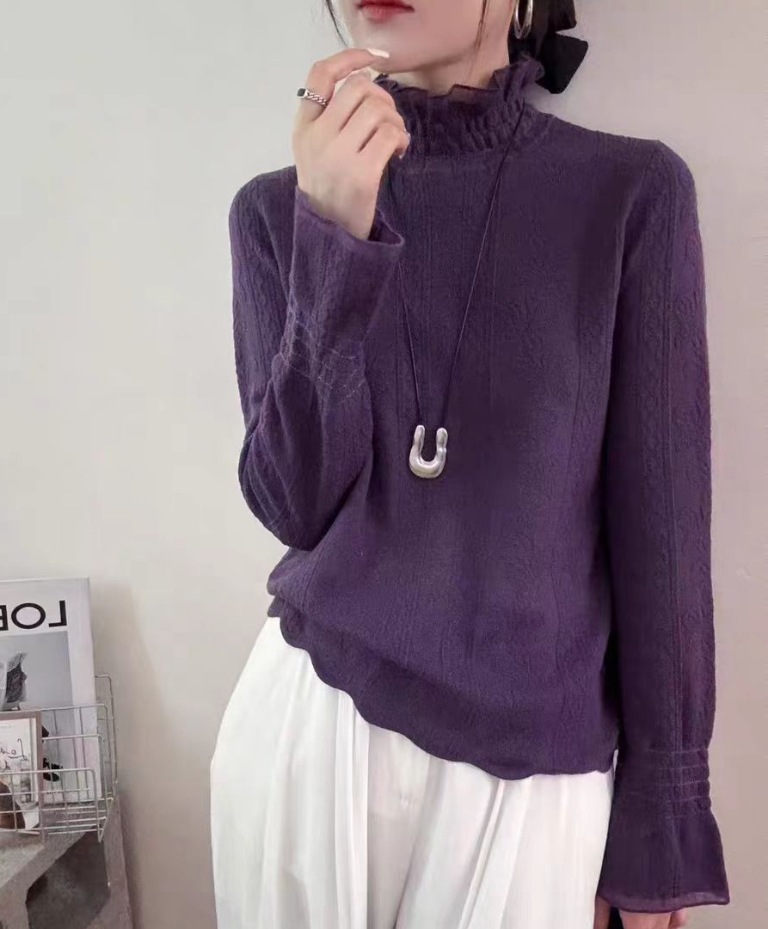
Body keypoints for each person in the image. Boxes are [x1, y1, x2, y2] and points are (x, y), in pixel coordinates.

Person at [209, 2, 730, 927]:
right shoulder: (275, 210)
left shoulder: (629, 192)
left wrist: (665, 808)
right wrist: (333, 237)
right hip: (315, 724)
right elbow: (293, 501)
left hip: (536, 764)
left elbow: (666, 532)